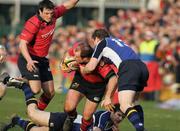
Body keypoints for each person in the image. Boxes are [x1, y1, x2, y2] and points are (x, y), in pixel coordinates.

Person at [0, 73, 122, 131]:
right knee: (32, 113)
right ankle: (23, 86)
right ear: (112, 111)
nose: (120, 119)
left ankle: (16, 120)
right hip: (63, 122)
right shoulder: (104, 116)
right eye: (119, 115)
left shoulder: (111, 125)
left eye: (122, 117)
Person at [80, 29, 149, 131]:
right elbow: (117, 76)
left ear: (96, 39)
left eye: (94, 42)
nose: (94, 45)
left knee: (125, 104)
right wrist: (108, 96)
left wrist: (82, 69)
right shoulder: (117, 41)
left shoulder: (102, 43)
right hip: (142, 67)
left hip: (129, 67)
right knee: (134, 103)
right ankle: (141, 127)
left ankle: (141, 129)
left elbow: (91, 67)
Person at [17, 0, 79, 110]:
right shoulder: (33, 23)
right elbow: (22, 44)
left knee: (50, 93)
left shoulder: (54, 14)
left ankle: (37, 113)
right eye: (46, 13)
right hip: (29, 58)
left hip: (42, 59)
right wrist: (29, 60)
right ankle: (18, 81)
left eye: (51, 13)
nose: (49, 16)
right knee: (36, 90)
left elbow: (69, 4)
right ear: (40, 11)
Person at [61, 42, 118, 131]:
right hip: (80, 80)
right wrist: (65, 63)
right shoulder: (80, 49)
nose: (74, 58)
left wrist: (107, 97)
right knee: (68, 108)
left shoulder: (100, 64)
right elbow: (68, 53)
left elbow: (113, 78)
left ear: (86, 59)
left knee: (87, 118)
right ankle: (71, 117)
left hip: (97, 88)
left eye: (77, 58)